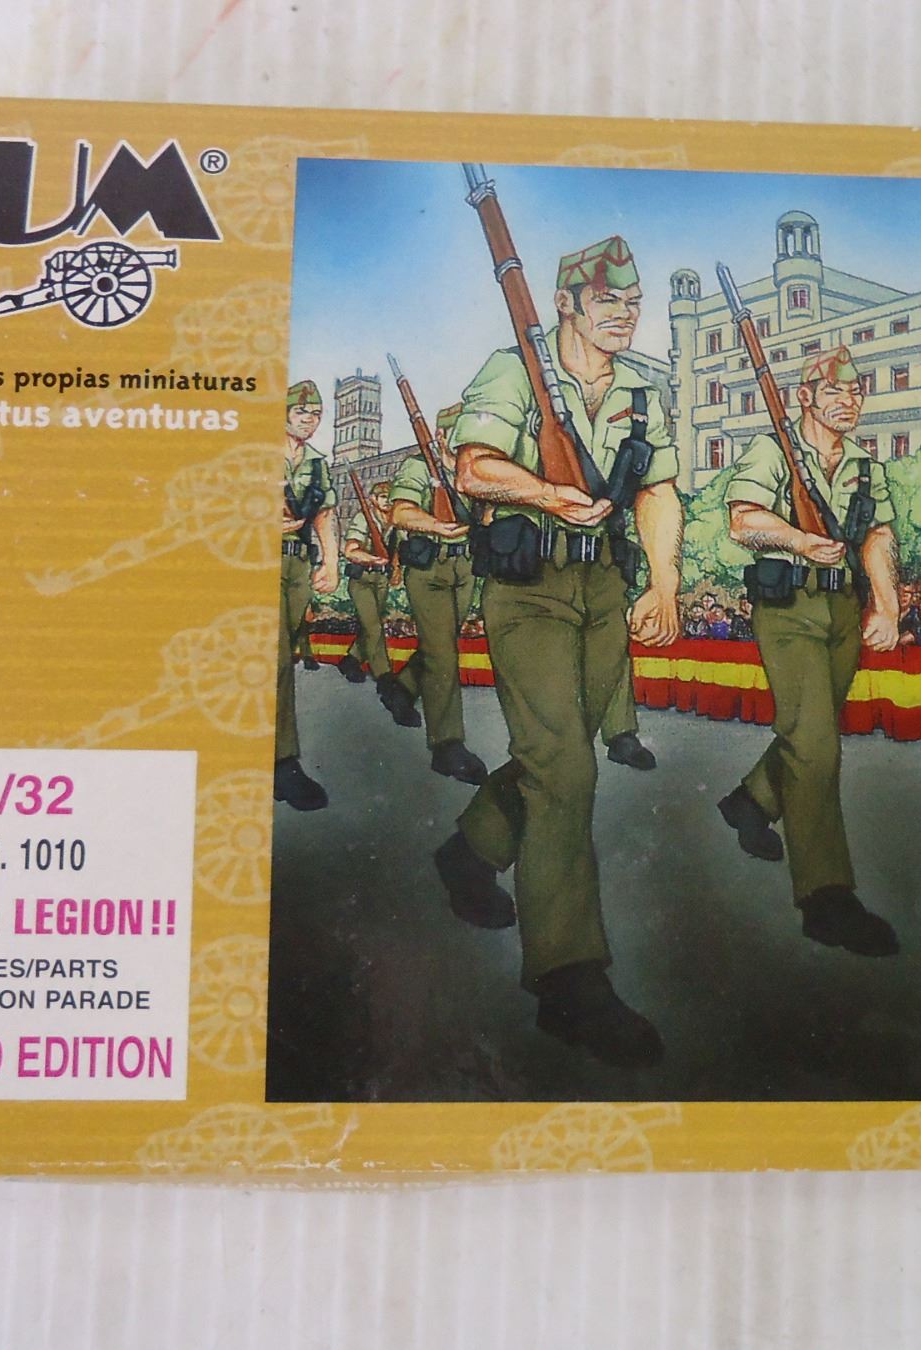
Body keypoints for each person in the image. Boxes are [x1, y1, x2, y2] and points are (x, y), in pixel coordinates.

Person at [432, 234, 684, 1067]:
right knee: (566, 767)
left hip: (604, 589)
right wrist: (546, 494)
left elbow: (658, 490)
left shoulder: (641, 392)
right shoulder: (514, 373)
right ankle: (569, 981)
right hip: (530, 589)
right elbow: (473, 469)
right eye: (608, 301)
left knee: (558, 754)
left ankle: (470, 849)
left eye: (633, 302)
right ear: (567, 303)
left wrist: (664, 584)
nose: (625, 315)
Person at [716, 345, 903, 955]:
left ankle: (752, 800)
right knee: (815, 743)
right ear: (804, 397)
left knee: (811, 730)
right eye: (834, 392)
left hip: (843, 606)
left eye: (856, 392)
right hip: (789, 608)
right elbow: (743, 521)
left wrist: (887, 605)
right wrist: (798, 540)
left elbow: (878, 536)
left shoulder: (865, 465)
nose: (849, 401)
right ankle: (825, 897)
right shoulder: (773, 450)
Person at [386, 404, 484, 782]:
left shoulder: (475, 470)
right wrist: (435, 526)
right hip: (429, 568)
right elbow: (400, 513)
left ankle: (402, 688)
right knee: (442, 654)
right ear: (441, 435)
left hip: (465, 567)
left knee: (439, 644)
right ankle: (447, 745)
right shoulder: (418, 467)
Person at [275, 380, 338, 811]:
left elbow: (325, 514)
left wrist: (331, 562)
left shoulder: (316, 463)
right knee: (277, 659)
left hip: (297, 564)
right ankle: (282, 763)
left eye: (316, 415)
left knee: (283, 661)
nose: (309, 421)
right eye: (301, 413)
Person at [339, 480, 397, 686]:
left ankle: (351, 660)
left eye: (390, 497)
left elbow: (397, 546)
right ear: (373, 499)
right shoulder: (364, 518)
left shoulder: (393, 520)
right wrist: (373, 559)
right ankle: (384, 676)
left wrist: (395, 568)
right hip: (362, 579)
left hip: (381, 579)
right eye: (383, 497)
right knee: (373, 628)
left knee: (371, 625)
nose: (387, 501)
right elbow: (350, 551)